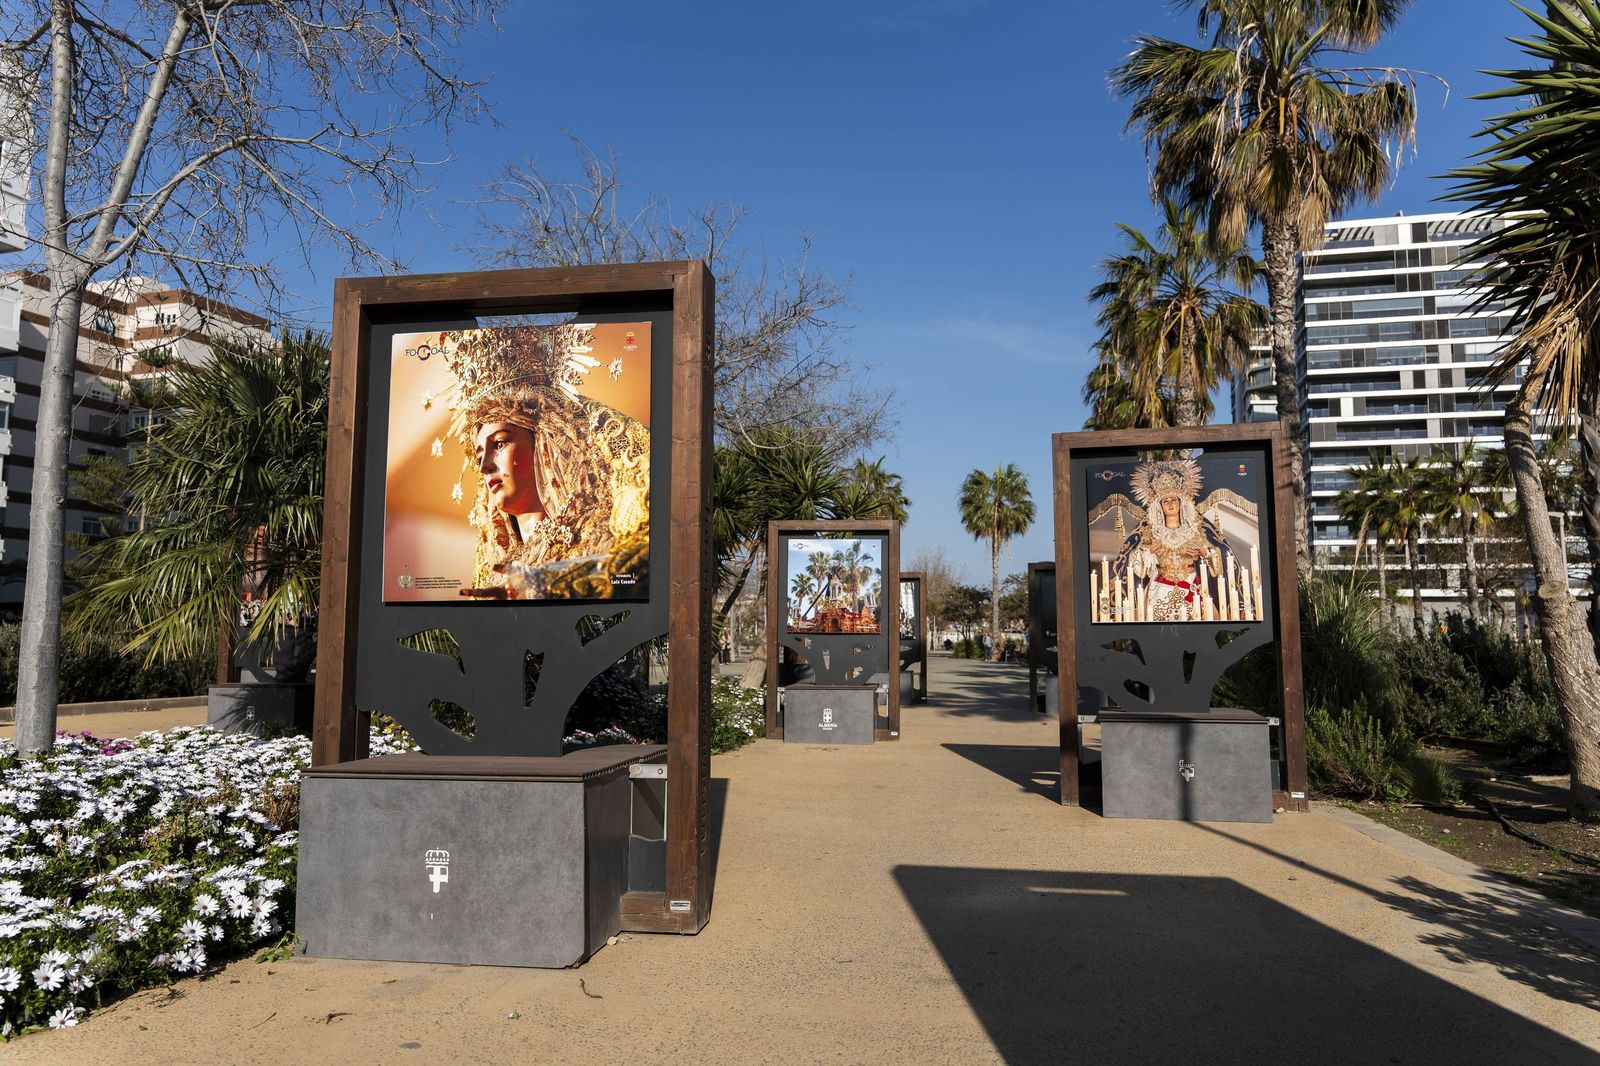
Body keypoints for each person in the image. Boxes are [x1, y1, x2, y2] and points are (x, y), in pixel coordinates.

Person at [439, 323, 649, 599]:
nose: (484, 465)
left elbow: (635, 570)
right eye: (479, 455)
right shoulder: (495, 573)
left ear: (546, 444)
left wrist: (542, 583)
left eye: (500, 443)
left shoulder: (595, 534)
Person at [1112, 459, 1230, 622]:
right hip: (1160, 588)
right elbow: (1136, 567)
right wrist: (1147, 553)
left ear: (1181, 503)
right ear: (1159, 506)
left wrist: (1205, 553)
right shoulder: (1151, 532)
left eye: (1174, 499)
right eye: (1165, 501)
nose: (1170, 504)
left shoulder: (1194, 530)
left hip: (1191, 586)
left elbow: (1217, 564)